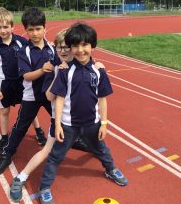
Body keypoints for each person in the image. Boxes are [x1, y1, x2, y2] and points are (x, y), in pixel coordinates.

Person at [37, 23, 129, 204]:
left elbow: (102, 99)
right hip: (68, 125)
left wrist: (104, 123)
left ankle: (110, 170)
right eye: (75, 46)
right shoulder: (65, 71)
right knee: (56, 156)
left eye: (84, 45)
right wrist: (57, 126)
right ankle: (45, 187)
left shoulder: (99, 70)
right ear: (70, 47)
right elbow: (60, 99)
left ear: (92, 46)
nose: (80, 50)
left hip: (92, 124)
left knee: (102, 150)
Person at [0, 7, 46, 157]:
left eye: (6, 26)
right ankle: (4, 138)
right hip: (5, 83)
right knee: (4, 111)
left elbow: (33, 51)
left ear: (12, 27)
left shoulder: (21, 42)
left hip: (22, 81)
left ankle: (39, 131)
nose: (2, 30)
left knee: (28, 109)